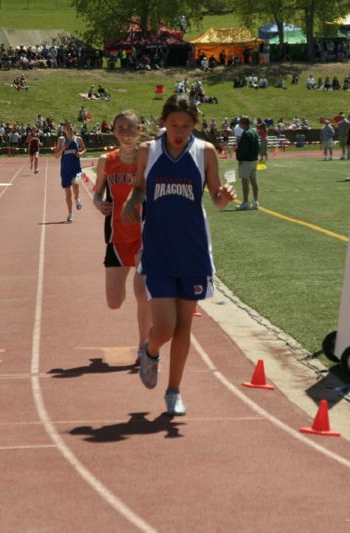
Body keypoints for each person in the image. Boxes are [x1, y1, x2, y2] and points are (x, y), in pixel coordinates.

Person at [121, 94, 236, 416]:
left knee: (184, 326)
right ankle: (151, 349)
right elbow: (140, 187)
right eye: (173, 124)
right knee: (165, 327)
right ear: (163, 122)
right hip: (158, 249)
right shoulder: (149, 151)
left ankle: (174, 391)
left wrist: (225, 197)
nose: (179, 130)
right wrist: (133, 202)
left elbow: (215, 199)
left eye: (186, 125)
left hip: (193, 250)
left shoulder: (205, 152)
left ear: (195, 125)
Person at [92, 110, 151, 363]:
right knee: (114, 302)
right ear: (114, 131)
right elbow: (97, 193)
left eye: (131, 127)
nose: (126, 133)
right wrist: (97, 202)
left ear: (140, 129)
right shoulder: (107, 160)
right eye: (121, 128)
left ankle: (144, 347)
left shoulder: (148, 159)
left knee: (142, 292)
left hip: (145, 236)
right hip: (116, 238)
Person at [52, 121, 86, 223]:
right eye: (67, 129)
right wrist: (63, 148)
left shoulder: (78, 139)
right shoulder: (61, 140)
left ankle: (77, 199)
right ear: (64, 130)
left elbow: (84, 148)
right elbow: (56, 156)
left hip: (75, 168)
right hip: (65, 169)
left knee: (75, 184)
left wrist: (81, 153)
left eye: (71, 129)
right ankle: (70, 213)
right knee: (68, 194)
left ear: (73, 129)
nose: (69, 131)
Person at [235, 116, 260, 210]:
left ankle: (245, 202)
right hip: (253, 159)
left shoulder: (246, 133)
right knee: (254, 181)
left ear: (243, 123)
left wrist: (240, 159)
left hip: (246, 160)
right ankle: (255, 201)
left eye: (240, 123)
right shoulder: (254, 131)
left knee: (245, 182)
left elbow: (243, 149)